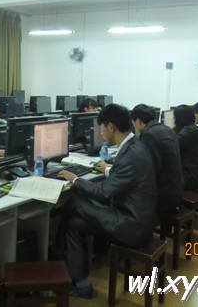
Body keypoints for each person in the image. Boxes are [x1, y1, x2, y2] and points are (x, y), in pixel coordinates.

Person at [56, 104, 157, 298]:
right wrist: (108, 170)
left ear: (111, 127)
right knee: (74, 224)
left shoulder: (130, 154)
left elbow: (104, 192)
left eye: (101, 127)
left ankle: (58, 254)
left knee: (75, 202)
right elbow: (127, 177)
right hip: (139, 218)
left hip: (131, 225)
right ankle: (81, 284)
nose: (100, 132)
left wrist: (75, 180)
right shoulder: (135, 145)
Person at [130, 104, 183, 216]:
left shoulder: (148, 134)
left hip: (163, 197)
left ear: (138, 121)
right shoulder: (167, 129)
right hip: (175, 190)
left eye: (133, 123)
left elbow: (147, 170)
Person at [173, 105, 198, 190]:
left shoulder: (186, 133)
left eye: (175, 117)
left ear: (179, 119)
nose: (174, 120)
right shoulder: (194, 129)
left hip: (190, 178)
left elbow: (171, 147)